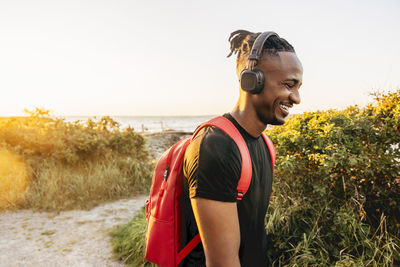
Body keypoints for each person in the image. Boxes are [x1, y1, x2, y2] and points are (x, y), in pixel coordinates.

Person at [180, 30, 303, 267]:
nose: (296, 98)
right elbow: (222, 263)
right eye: (289, 85)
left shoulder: (265, 144)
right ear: (251, 80)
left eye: (298, 86)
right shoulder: (215, 147)